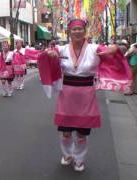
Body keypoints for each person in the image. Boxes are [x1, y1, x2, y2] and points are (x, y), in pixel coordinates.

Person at [41, 19, 131, 172]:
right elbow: (49, 56)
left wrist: (114, 48)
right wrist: (49, 55)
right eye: (74, 29)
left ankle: (79, 159)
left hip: (86, 95)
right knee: (65, 132)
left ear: (85, 32)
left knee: (82, 134)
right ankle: (68, 154)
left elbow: (117, 49)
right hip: (67, 95)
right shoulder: (61, 49)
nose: (77, 31)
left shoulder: (94, 48)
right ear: (69, 32)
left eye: (80, 29)